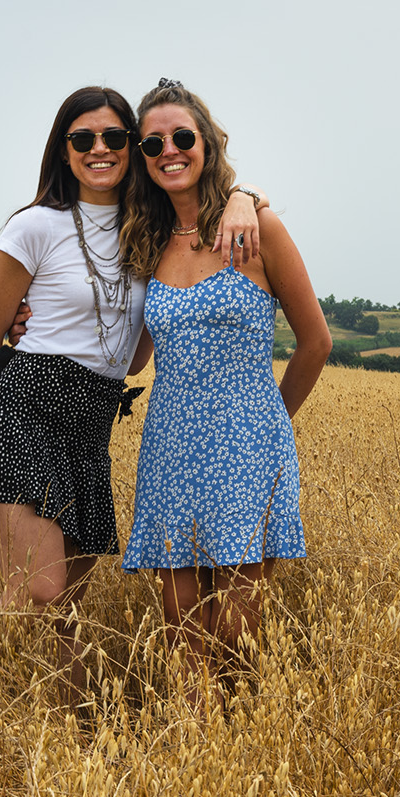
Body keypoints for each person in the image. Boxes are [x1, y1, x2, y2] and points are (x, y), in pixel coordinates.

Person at [0, 85, 267, 716]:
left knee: (65, 607)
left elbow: (139, 348)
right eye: (83, 139)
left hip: (92, 419)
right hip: (23, 408)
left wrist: (241, 196)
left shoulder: (144, 231)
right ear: (62, 151)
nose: (101, 149)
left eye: (116, 138)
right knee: (37, 587)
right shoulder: (35, 226)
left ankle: (64, 730)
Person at [119, 79, 332, 709]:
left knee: (238, 631)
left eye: (183, 137)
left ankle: (240, 761)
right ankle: (194, 765)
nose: (169, 150)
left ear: (207, 145)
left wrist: (269, 424)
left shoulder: (255, 226)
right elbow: (130, 356)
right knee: (181, 629)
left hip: (248, 448)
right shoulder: (145, 242)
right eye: (153, 142)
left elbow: (315, 342)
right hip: (169, 451)